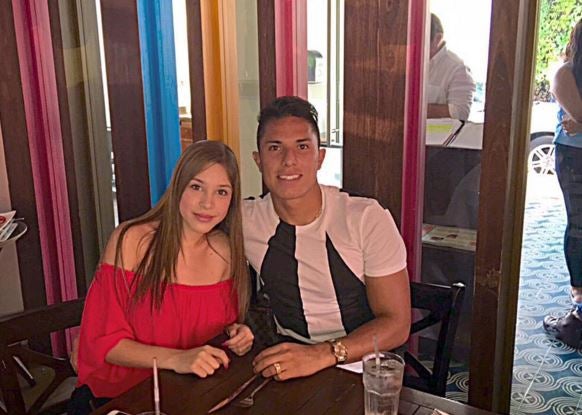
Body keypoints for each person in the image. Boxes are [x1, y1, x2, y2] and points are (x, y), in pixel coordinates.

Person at [70, 141, 254, 414]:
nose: (208, 203)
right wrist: (178, 359)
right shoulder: (131, 241)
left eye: (221, 192)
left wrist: (237, 334)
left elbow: (220, 327)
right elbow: (102, 342)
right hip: (120, 398)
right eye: (196, 187)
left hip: (190, 395)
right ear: (177, 186)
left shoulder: (226, 251)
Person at [243, 96, 411, 381]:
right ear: (258, 160)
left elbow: (397, 324)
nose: (289, 160)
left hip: (361, 367)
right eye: (275, 148)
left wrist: (322, 355)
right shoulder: (245, 220)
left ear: (319, 157)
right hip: (287, 361)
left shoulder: (365, 218)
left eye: (302, 146)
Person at [543, 19, 582, 349]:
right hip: (575, 156)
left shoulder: (565, 72)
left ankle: (579, 313)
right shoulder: (565, 73)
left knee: (579, 228)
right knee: (580, 227)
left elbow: (579, 118)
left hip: (574, 153)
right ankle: (579, 308)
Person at [427, 13, 476, 121]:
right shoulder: (404, 62)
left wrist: (414, 108)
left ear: (438, 38)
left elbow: (459, 113)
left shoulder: (458, 69)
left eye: (419, 41)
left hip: (435, 132)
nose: (412, 46)